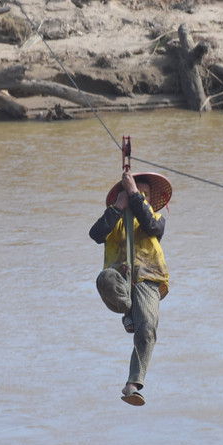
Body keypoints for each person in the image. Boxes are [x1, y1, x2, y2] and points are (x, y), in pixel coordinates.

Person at [89, 170, 172, 406]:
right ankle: (128, 312)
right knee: (104, 278)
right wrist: (117, 207)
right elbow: (95, 234)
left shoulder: (155, 219)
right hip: (120, 280)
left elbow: (152, 227)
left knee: (147, 327)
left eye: (145, 195)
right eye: (137, 193)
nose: (141, 198)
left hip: (148, 278)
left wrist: (134, 194)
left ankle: (134, 384)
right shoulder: (114, 219)